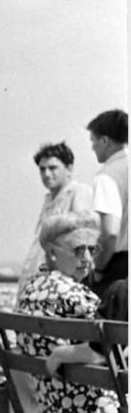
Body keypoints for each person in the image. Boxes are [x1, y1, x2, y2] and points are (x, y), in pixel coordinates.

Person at [16, 211, 120, 413]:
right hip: (94, 409)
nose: (88, 259)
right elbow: (105, 349)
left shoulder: (31, 288)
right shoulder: (75, 295)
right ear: (53, 253)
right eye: (78, 250)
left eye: (92, 250)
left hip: (53, 406)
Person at [16, 142, 94, 299]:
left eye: (53, 168)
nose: (46, 174)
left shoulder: (78, 191)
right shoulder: (49, 199)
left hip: (59, 285)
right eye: (42, 169)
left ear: (69, 168)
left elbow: (82, 237)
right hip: (39, 281)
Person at [86, 109, 127, 299]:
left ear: (105, 141)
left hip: (118, 267)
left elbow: (110, 232)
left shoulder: (108, 175)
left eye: (93, 141)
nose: (92, 147)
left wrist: (99, 268)